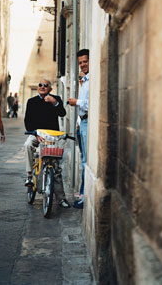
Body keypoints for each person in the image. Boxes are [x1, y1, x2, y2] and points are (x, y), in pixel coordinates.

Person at [24, 79, 70, 208]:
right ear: (38, 88)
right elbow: (28, 121)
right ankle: (29, 176)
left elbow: (62, 113)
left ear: (50, 88)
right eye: (40, 85)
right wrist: (35, 134)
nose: (42, 87)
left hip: (51, 137)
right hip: (36, 134)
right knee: (27, 145)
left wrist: (54, 103)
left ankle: (61, 199)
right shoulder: (31, 102)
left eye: (45, 85)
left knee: (55, 167)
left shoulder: (56, 99)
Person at [68, 49, 89, 209]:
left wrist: (77, 102)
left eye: (85, 61)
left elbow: (90, 103)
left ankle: (83, 197)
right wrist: (78, 120)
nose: (82, 65)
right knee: (83, 160)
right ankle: (82, 194)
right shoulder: (85, 81)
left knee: (85, 162)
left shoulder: (91, 81)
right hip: (82, 123)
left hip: (88, 123)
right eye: (80, 62)